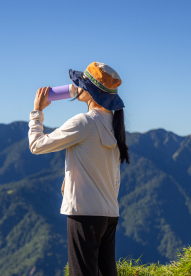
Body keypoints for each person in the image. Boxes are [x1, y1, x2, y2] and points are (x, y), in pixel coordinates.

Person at [28, 62, 129, 276]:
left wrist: (37, 112)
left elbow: (37, 145)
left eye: (81, 84)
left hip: (84, 213)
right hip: (110, 212)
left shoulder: (84, 122)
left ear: (91, 92)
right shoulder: (114, 125)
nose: (77, 87)